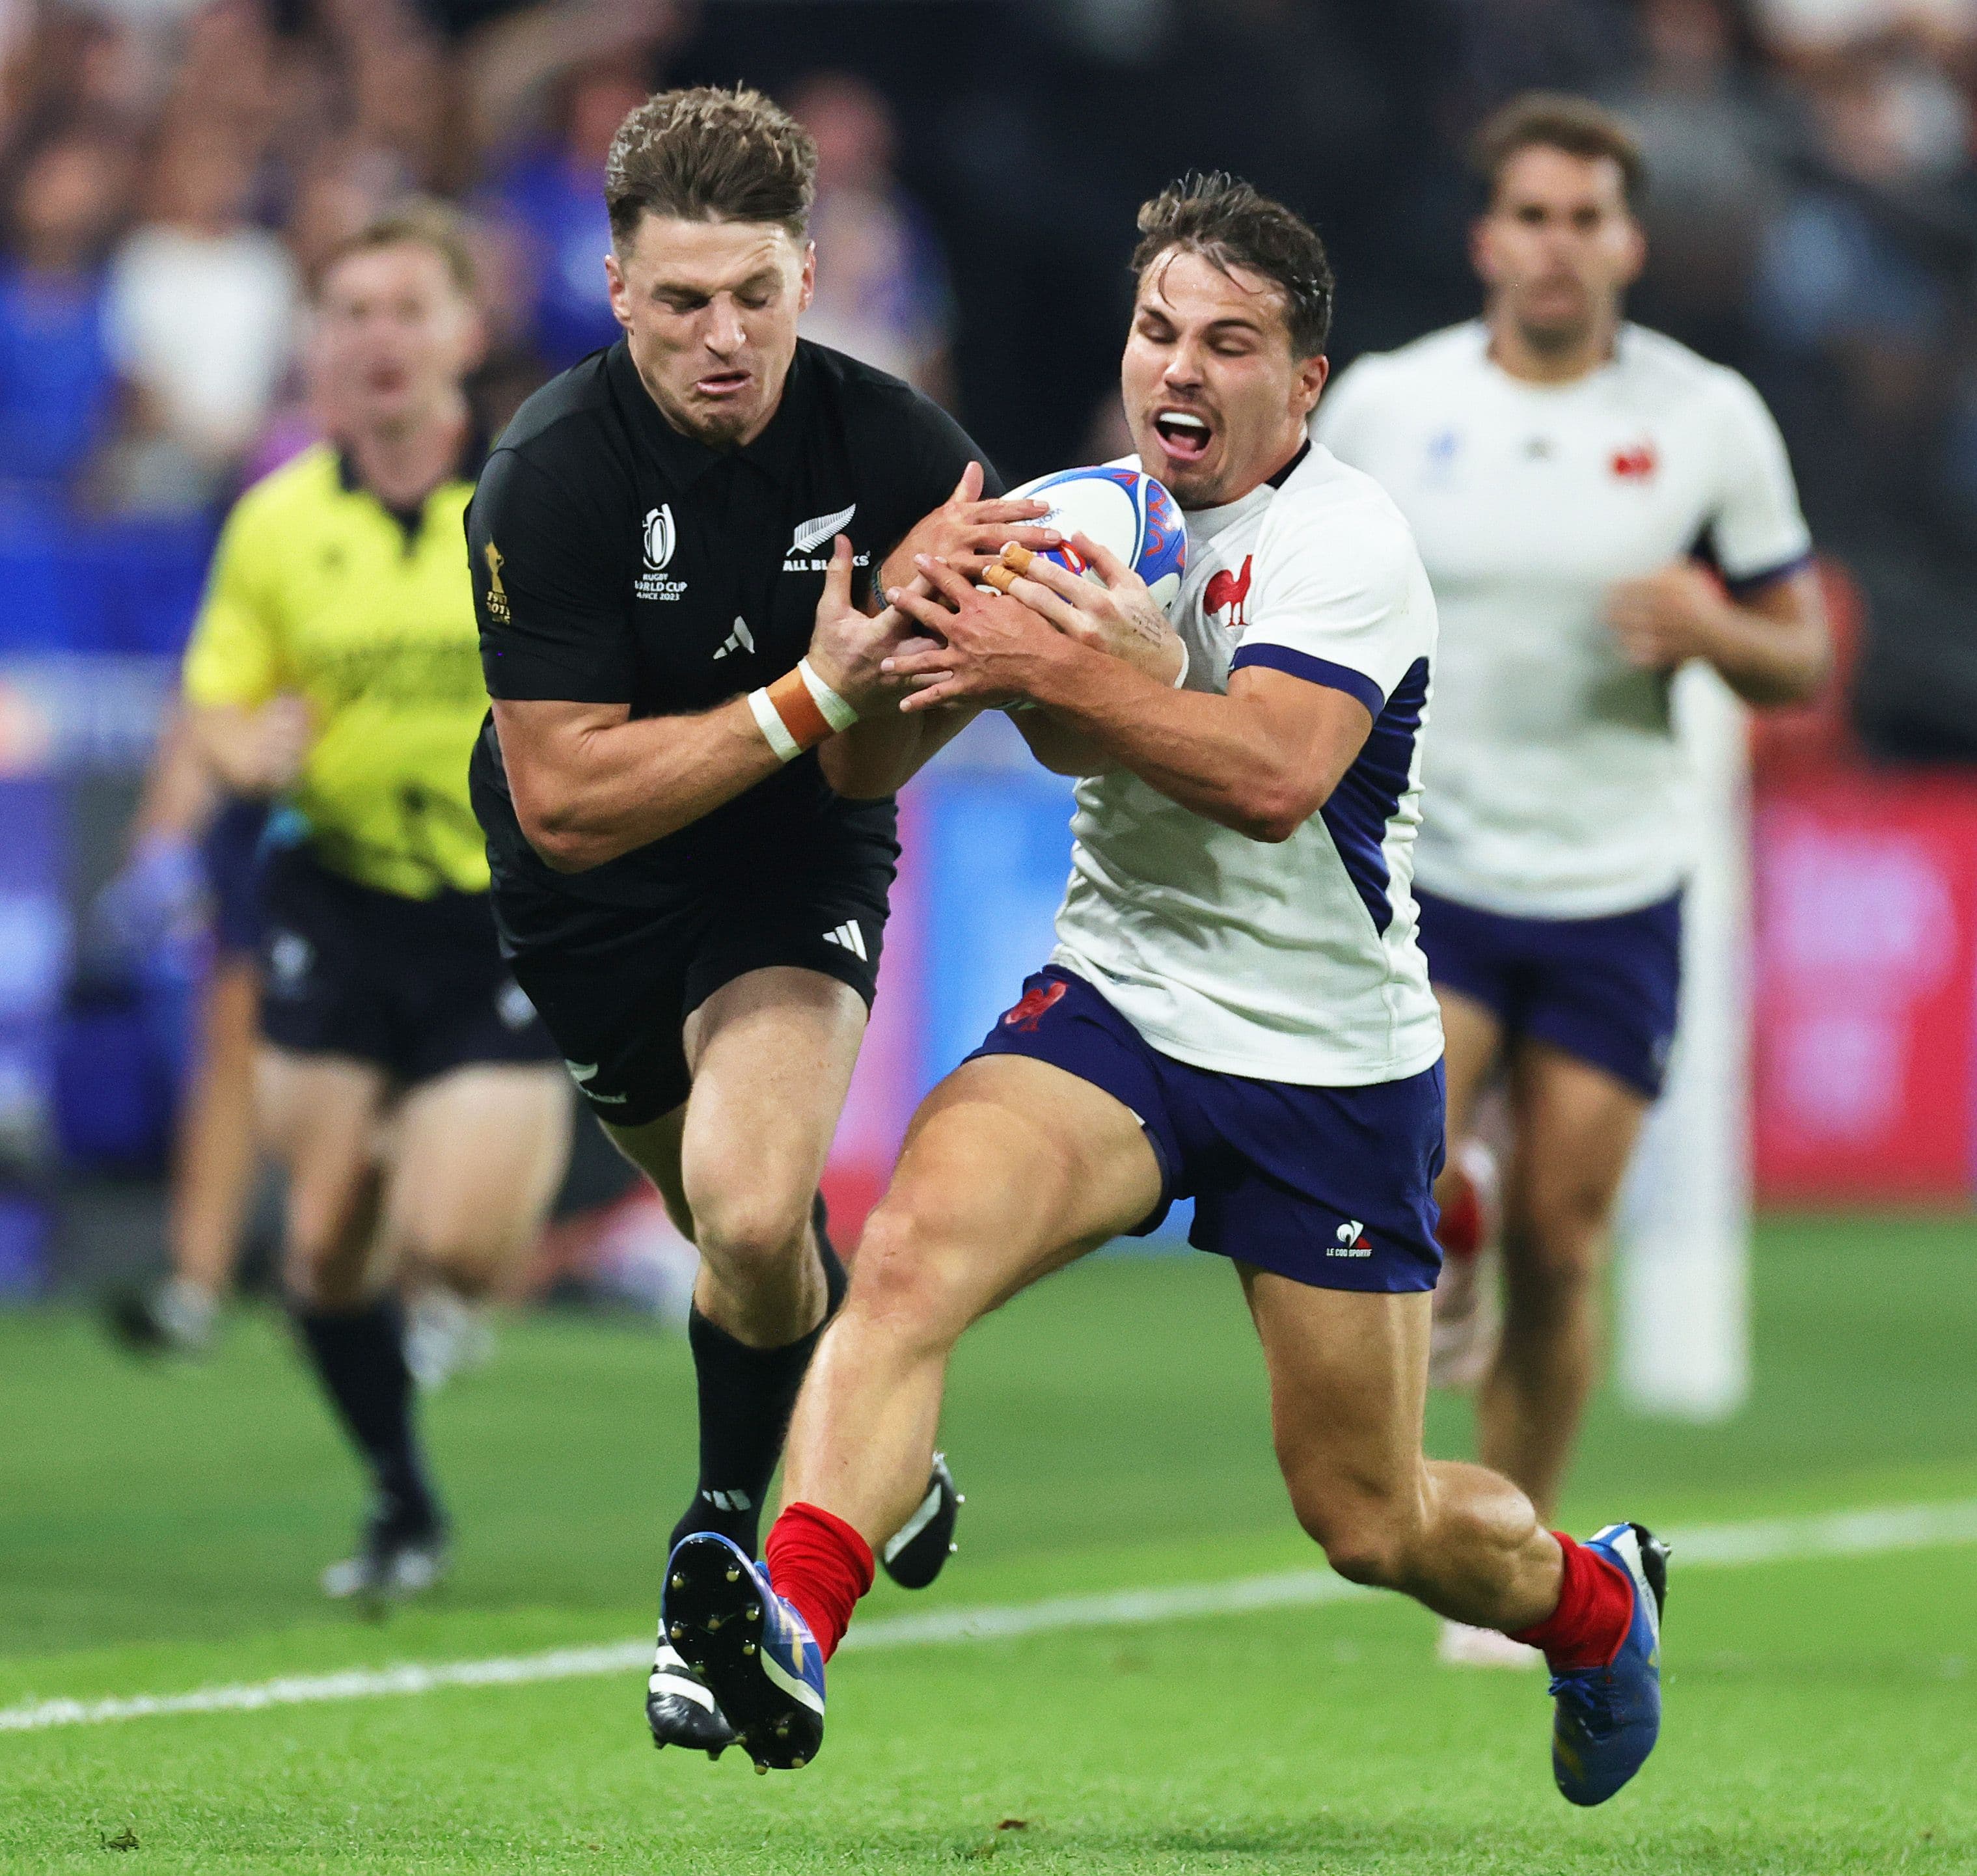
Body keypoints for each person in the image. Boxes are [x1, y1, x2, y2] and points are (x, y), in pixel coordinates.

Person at [660, 172, 1670, 1810]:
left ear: (1306, 384)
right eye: (1155, 332)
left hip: (1329, 1065)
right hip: (1122, 1007)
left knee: (1368, 1515)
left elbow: (1274, 774)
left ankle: (1595, 1598)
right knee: (907, 1253)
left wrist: (1066, 672)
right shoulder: (1075, 517)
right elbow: (866, 762)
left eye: (1229, 342)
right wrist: (885, 650)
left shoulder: (1345, 543)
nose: (1179, 370)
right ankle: (797, 1616)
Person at [465, 85, 1059, 1757]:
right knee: (753, 1243)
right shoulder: (547, 476)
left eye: (753, 296)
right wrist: (814, 689)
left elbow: (876, 751)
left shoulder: (908, 458)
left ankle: (712, 1560)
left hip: (787, 859)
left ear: (810, 273)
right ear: (613, 292)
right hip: (586, 880)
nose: (720, 338)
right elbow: (569, 798)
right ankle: (860, 1422)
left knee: (740, 1207)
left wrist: (906, 681)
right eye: (679, 302)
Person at [1311, 94, 1827, 1667]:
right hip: (1435, 869)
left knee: (1562, 1234)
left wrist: (1715, 627)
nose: (1557, 244)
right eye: (1528, 215)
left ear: (1629, 240)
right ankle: (1429, 1298)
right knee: (1393, 1176)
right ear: (1487, 238)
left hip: (1617, 881)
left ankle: (1510, 1547)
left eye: (1584, 217)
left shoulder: (1704, 417)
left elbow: (1796, 650)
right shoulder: (1398, 406)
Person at [181, 201, 573, 1602]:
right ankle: (402, 1493)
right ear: (320, 347)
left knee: (456, 1244)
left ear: (467, 336)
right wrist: (247, 748)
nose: (378, 340)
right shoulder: (278, 522)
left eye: (408, 309)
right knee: (323, 1238)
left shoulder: (533, 501)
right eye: (351, 313)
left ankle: (437, 1188)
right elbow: (220, 698)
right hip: (337, 896)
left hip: (498, 903)